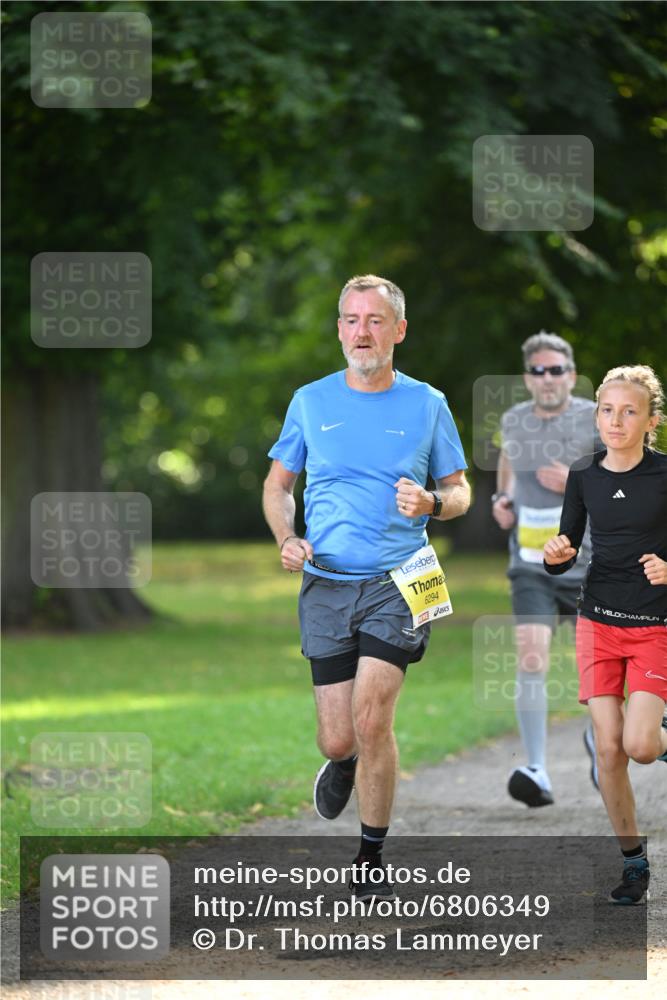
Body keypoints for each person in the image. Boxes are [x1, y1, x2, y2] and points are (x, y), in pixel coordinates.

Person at [262, 274, 470, 901]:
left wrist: (433, 502)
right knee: (338, 735)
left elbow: (460, 491)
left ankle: (370, 855)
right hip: (326, 582)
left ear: (398, 330)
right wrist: (287, 537)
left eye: (375, 320)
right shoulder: (310, 401)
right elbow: (278, 486)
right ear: (339, 330)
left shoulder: (428, 403)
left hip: (404, 578)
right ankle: (343, 760)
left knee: (374, 715)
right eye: (352, 320)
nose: (362, 332)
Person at [544, 364, 667, 905]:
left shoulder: (664, 475)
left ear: (651, 421)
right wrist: (556, 554)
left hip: (653, 625)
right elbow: (565, 545)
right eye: (607, 410)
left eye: (628, 412)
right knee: (610, 749)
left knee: (641, 746)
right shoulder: (584, 474)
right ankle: (633, 861)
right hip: (597, 623)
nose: (615, 421)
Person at [492, 332, 601, 807]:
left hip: (587, 564)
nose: (548, 378)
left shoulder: (594, 418)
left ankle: (600, 744)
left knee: (595, 667)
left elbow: (621, 478)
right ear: (527, 378)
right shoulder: (514, 420)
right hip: (531, 565)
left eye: (556, 370)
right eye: (538, 371)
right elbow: (508, 463)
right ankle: (536, 769)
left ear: (571, 376)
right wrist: (503, 500)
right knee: (531, 656)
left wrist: (574, 481)